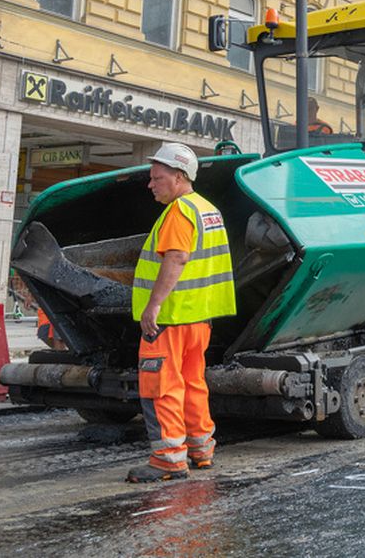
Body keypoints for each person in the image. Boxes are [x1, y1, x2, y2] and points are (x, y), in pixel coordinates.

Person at [126, 142, 237, 483]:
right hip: (199, 319)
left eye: (157, 178)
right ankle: (200, 449)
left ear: (178, 177)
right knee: (193, 384)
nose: (150, 184)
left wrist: (153, 305)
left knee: (162, 387)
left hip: (170, 320)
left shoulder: (179, 212)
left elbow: (176, 259)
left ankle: (169, 458)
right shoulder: (207, 209)